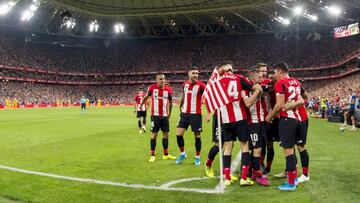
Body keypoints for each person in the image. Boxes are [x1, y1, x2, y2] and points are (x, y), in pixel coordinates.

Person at [216, 61, 263, 186]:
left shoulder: (216, 81)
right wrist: (258, 90)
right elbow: (253, 87)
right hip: (239, 117)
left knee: (227, 147)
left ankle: (227, 178)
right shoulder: (238, 78)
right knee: (244, 146)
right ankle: (243, 178)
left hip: (225, 119)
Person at [265, 62, 305, 191]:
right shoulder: (296, 82)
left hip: (287, 120)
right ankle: (293, 179)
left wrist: (269, 116)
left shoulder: (280, 83)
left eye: (275, 73)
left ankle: (291, 183)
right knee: (292, 150)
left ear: (281, 72)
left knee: (288, 151)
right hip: (298, 119)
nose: (275, 75)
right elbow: (302, 99)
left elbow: (279, 105)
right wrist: (293, 105)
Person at [242, 67, 270, 186]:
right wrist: (257, 91)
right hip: (251, 123)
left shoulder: (261, 87)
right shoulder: (244, 90)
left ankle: (253, 171)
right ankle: (258, 175)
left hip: (261, 123)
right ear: (252, 79)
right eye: (259, 77)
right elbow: (248, 104)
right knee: (255, 149)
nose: (262, 78)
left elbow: (270, 88)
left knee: (259, 148)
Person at [140, 74, 177, 162]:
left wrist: (169, 114)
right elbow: (146, 97)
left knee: (166, 134)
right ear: (157, 80)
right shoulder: (152, 88)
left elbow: (171, 102)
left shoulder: (169, 89)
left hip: (164, 116)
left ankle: (166, 154)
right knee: (154, 135)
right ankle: (152, 155)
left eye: (164, 79)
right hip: (155, 116)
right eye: (160, 79)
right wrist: (142, 104)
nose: (163, 80)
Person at [175, 67, 206, 165]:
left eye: (197, 73)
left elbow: (208, 96)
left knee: (197, 136)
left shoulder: (201, 86)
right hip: (184, 113)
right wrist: (181, 105)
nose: (196, 75)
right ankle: (182, 153)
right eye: (193, 73)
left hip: (196, 114)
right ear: (189, 74)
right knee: (179, 134)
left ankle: (197, 157)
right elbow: (184, 96)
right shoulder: (184, 84)